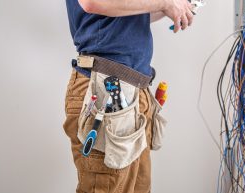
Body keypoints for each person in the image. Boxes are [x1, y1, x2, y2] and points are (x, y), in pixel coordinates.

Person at [63, 0, 194, 192]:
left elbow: (132, 13)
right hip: (103, 89)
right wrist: (166, 2)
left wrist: (170, 7)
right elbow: (93, 2)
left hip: (133, 91)